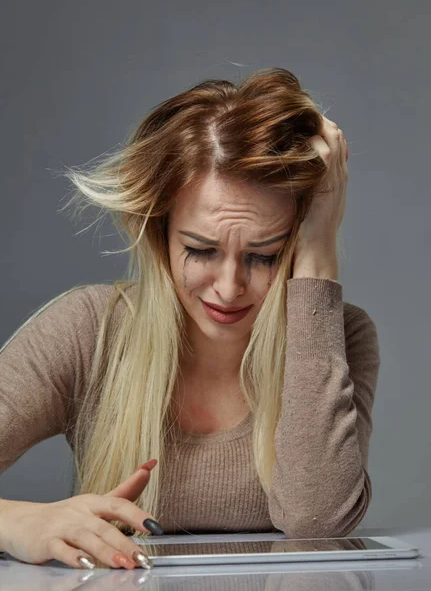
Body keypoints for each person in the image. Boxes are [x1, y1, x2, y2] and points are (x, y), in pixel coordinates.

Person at [0, 67, 380, 570]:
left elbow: (319, 522)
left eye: (265, 256)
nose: (229, 287)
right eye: (201, 250)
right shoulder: (88, 329)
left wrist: (317, 260)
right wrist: (15, 522)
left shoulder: (336, 333)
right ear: (160, 235)